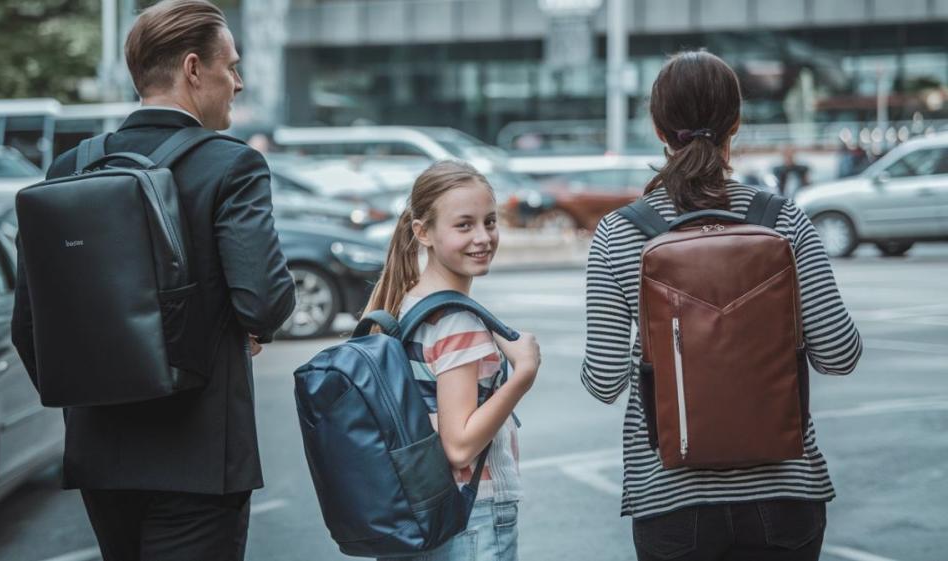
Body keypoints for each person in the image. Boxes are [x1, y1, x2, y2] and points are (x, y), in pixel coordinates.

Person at [10, 1, 295, 559]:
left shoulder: (69, 170)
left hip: (101, 455)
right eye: (231, 66)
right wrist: (246, 329)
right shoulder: (231, 165)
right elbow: (264, 302)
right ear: (193, 69)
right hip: (202, 456)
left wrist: (95, 391)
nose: (237, 83)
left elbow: (30, 325)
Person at [581, 51, 862, 561]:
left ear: (657, 127)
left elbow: (602, 382)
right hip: (785, 493)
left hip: (670, 498)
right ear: (736, 123)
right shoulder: (785, 221)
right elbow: (840, 355)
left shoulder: (619, 234)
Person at [364, 160, 540, 561]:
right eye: (464, 225)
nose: (483, 237)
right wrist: (523, 375)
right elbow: (459, 446)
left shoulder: (406, 302)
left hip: (417, 509)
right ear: (423, 232)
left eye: (490, 222)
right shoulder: (457, 321)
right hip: (470, 511)